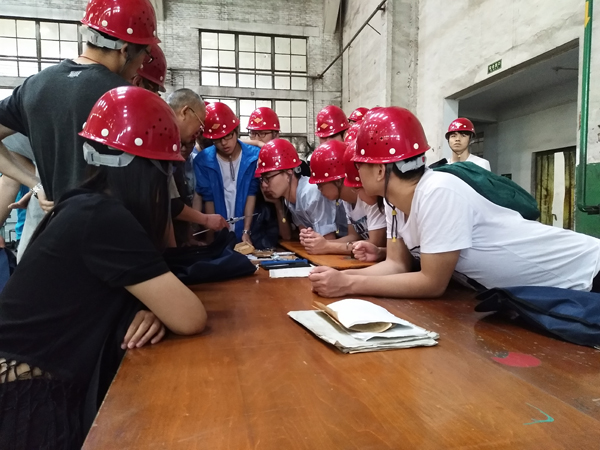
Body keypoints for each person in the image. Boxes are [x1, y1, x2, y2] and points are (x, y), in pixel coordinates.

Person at [0, 86, 207, 448]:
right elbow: (191, 317)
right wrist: (161, 307)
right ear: (150, 171)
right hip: (24, 401)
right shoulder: (104, 219)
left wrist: (149, 305)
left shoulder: (84, 203)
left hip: (33, 383)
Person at [309, 106, 600, 298]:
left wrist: (349, 284)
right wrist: (340, 276)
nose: (355, 173)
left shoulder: (438, 191)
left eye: (360, 165)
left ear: (380, 170)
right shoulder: (393, 204)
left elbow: (431, 283)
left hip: (586, 273)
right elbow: (396, 265)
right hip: (549, 292)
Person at [0, 0, 160, 257]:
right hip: (111, 248)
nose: (142, 64)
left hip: (51, 244)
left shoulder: (35, 86)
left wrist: (36, 184)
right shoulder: (127, 100)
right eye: (145, 55)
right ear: (125, 50)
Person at [301, 136, 385, 255]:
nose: (318, 189)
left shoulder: (369, 197)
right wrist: (318, 243)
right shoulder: (346, 199)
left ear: (338, 181)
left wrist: (327, 246)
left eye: (321, 183)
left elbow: (375, 244)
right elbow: (353, 236)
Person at [165, 89, 228, 245]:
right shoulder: (161, 147)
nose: (198, 132)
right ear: (185, 112)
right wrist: (205, 219)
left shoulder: (174, 151)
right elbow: (170, 204)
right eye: (200, 124)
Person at [193, 102, 260, 245]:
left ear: (236, 131)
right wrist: (211, 238)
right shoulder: (203, 160)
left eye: (228, 136)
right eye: (217, 139)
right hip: (219, 232)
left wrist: (246, 231)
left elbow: (251, 193)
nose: (223, 143)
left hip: (249, 233)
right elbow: (208, 198)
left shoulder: (254, 157)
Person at [256, 139, 342, 240]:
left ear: (288, 173)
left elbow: (328, 239)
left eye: (267, 178)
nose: (264, 185)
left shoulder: (310, 193)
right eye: (262, 179)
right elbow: (304, 237)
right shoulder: (289, 200)